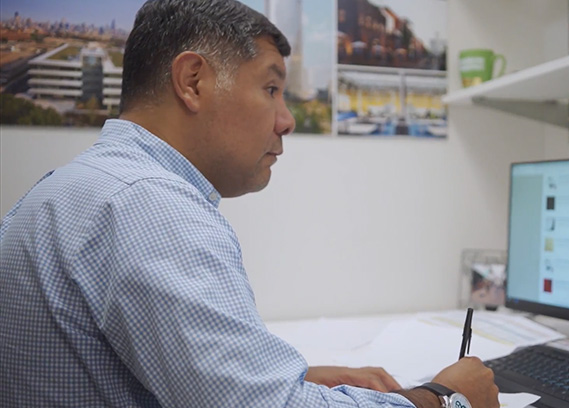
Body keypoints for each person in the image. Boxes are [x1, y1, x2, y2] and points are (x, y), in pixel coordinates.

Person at [0, 1, 500, 407]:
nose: (287, 120)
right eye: (271, 88)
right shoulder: (151, 209)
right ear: (193, 81)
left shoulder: (78, 188)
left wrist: (292, 378)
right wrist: (445, 397)